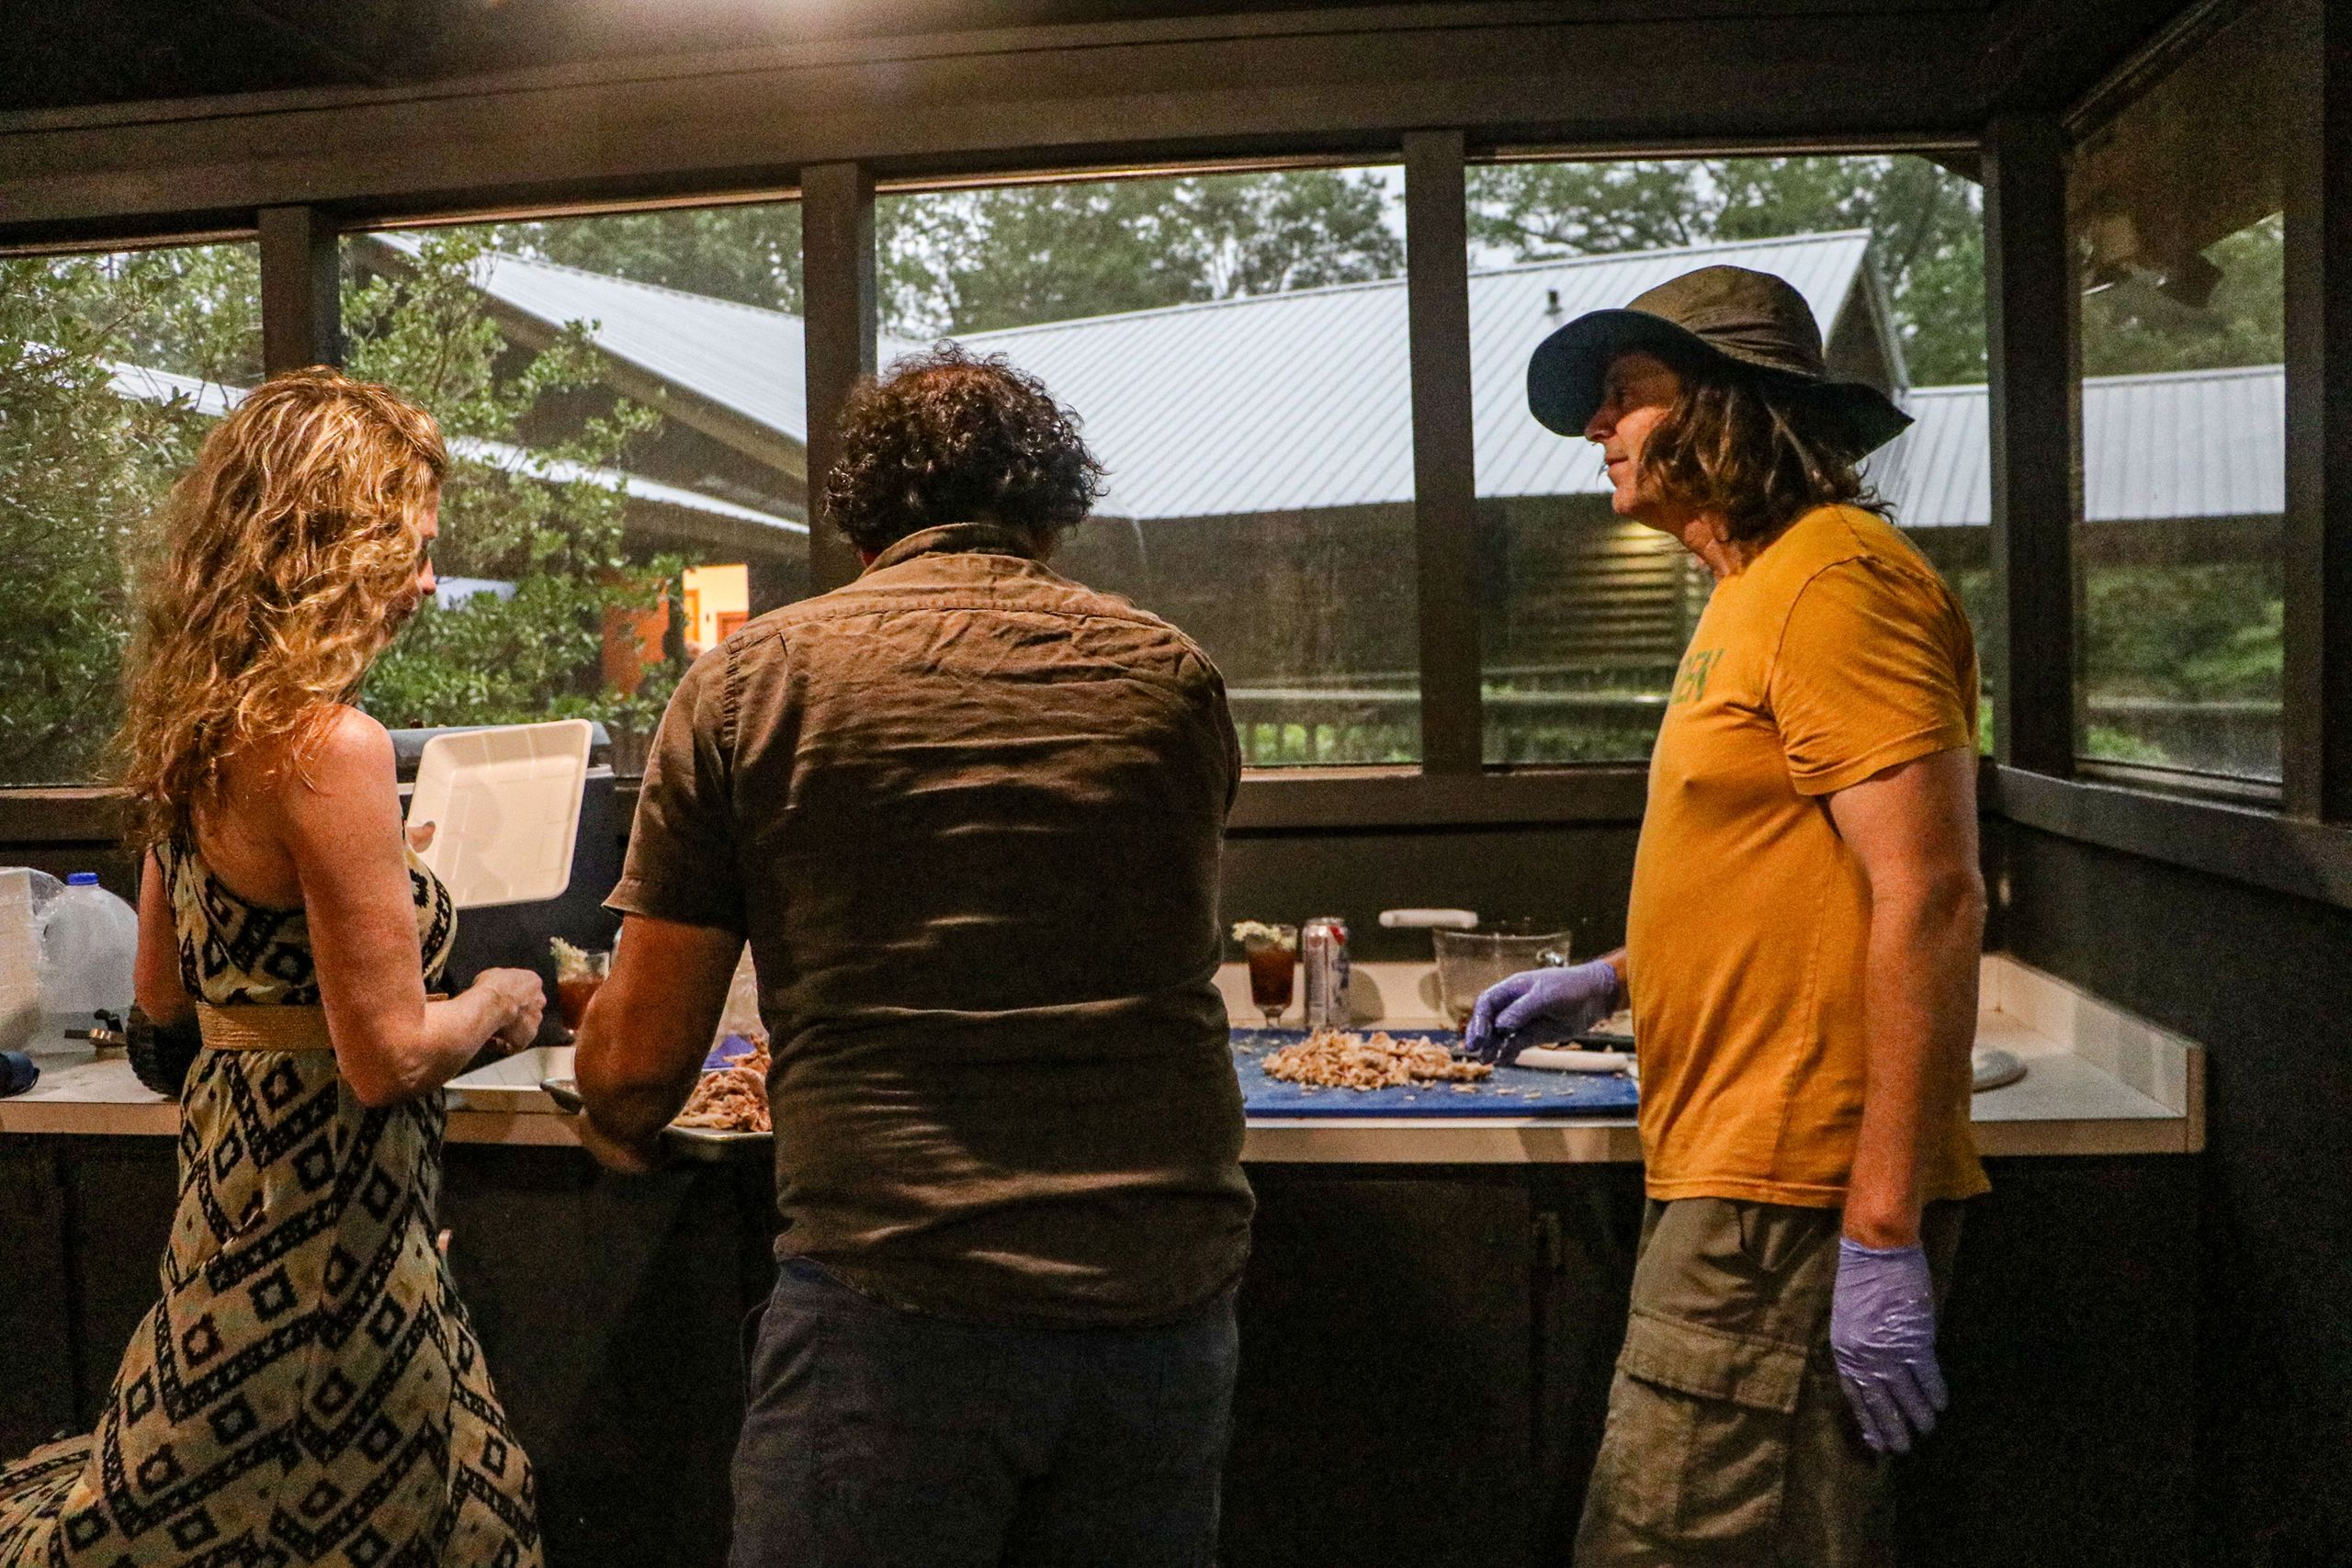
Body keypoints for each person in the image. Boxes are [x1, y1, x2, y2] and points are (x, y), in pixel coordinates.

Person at [573, 345, 1254, 1568]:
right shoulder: (1172, 677)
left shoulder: (748, 687)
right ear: (1053, 512)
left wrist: (607, 1115)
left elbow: (634, 1072)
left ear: (860, 519)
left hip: (896, 1294)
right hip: (1161, 1301)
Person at [1465, 266, 1989, 1566]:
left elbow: (1932, 891)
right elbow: (1802, 871)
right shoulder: (1759, 593)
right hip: (1743, 1178)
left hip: (1791, 1198)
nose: (1598, 429)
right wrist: (1622, 975)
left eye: (1626, 395)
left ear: (1731, 410)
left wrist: (1877, 1231)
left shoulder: (1834, 585)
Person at [0, 369, 547, 1567]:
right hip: (333, 1237)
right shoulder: (329, 745)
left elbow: (160, 1020)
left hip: (236, 1214)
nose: (425, 580)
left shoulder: (199, 736)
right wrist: (500, 1002)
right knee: (436, 1525)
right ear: (330, 543)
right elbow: (388, 1055)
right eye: (410, 543)